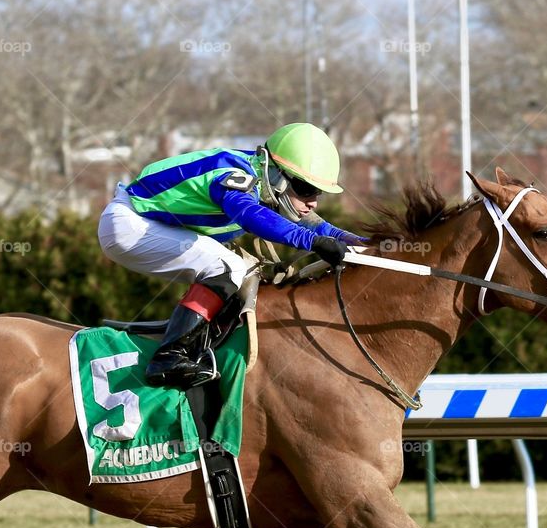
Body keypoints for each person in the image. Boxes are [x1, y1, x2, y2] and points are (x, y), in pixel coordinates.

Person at [98, 122, 369, 388]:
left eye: (318, 192)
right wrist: (312, 242)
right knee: (230, 267)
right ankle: (168, 358)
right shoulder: (235, 175)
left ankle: (199, 346)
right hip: (130, 225)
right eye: (306, 190)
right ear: (275, 174)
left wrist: (357, 241)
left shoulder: (263, 181)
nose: (313, 201)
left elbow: (314, 223)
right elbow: (250, 216)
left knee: (240, 271)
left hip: (148, 225)